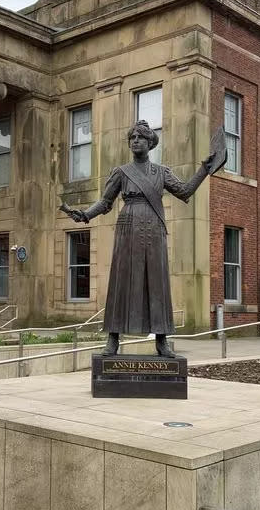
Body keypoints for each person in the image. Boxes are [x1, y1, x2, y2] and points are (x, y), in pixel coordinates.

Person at [64, 120, 225, 358]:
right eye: (132, 138)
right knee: (121, 280)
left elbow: (184, 191)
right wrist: (86, 214)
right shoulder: (121, 172)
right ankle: (112, 339)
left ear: (150, 143)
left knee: (157, 282)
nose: (135, 141)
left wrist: (204, 169)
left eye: (140, 137)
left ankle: (161, 340)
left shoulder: (162, 172)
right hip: (128, 225)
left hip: (154, 227)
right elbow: (105, 202)